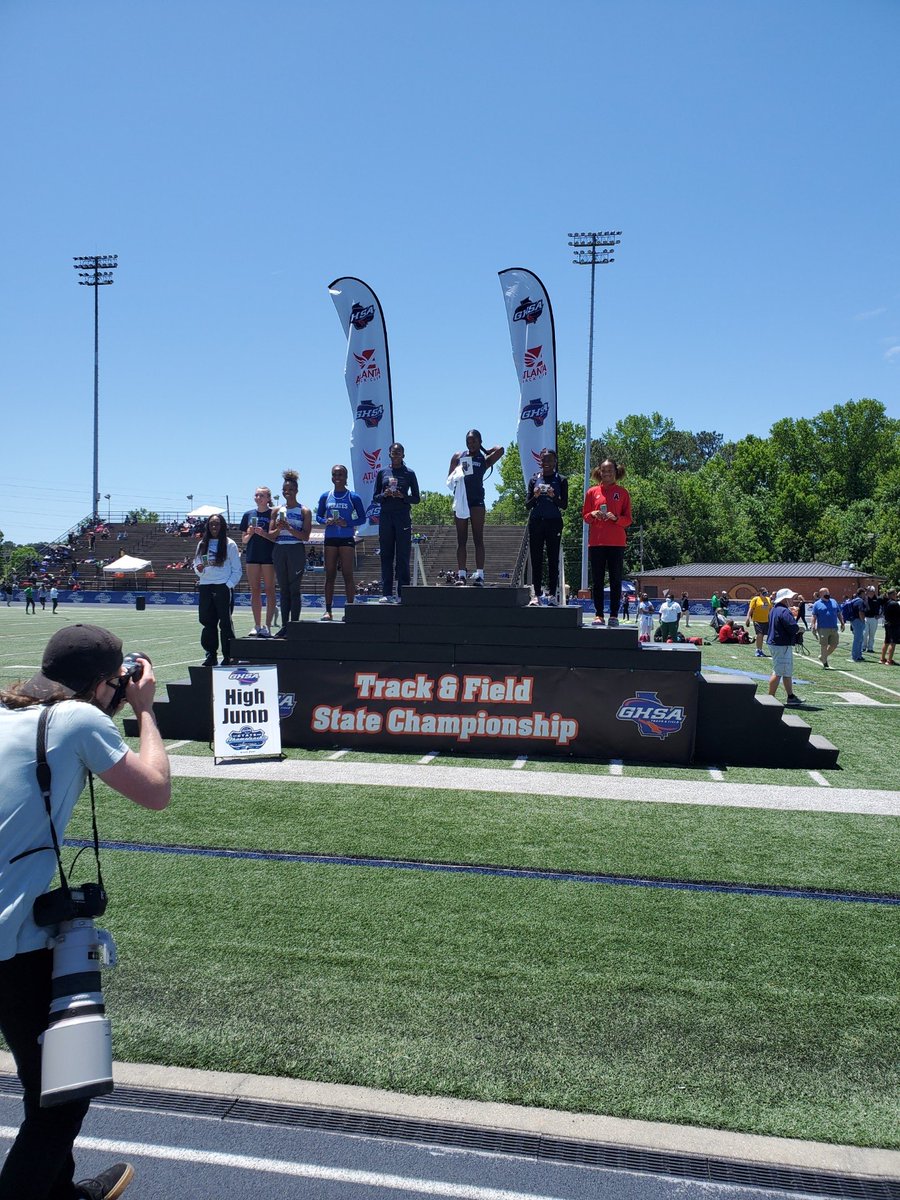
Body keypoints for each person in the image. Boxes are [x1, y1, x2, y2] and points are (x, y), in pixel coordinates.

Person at [0, 624, 170, 1200]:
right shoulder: (78, 719)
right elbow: (154, 790)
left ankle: (61, 1193)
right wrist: (143, 710)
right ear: (104, 684)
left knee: (41, 1075)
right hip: (8, 939)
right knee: (64, 1095)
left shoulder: (8, 713)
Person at [447, 430, 504, 586]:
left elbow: (501, 450)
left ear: (480, 442)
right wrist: (458, 473)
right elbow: (449, 480)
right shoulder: (458, 456)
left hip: (477, 502)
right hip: (461, 501)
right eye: (468, 441)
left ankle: (479, 575)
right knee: (461, 540)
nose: (470, 444)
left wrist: (486, 450)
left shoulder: (483, 459)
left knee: (478, 538)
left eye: (474, 441)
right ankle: (461, 575)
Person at [582, 458, 632, 627]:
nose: (607, 473)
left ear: (616, 472)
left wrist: (616, 518)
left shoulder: (623, 492)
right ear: (599, 472)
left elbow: (628, 519)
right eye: (604, 470)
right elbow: (585, 516)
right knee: (597, 580)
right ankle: (598, 615)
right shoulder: (592, 492)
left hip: (616, 543)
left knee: (615, 580)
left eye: (610, 470)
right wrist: (594, 514)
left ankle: (613, 615)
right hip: (596, 543)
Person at [315, 465, 366, 621]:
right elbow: (318, 517)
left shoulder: (353, 497)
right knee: (329, 575)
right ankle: (328, 611)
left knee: (347, 575)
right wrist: (326, 520)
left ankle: (350, 609)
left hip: (346, 539)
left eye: (341, 474)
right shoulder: (326, 496)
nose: (338, 477)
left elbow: (363, 519)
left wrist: (347, 522)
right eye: (335, 474)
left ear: (346, 477)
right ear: (331, 477)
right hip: (330, 539)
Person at [373, 443, 420, 603]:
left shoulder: (409, 473)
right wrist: (384, 494)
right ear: (389, 454)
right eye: (394, 452)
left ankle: (402, 593)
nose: (396, 455)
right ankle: (386, 593)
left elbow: (417, 498)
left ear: (403, 455)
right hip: (386, 517)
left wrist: (403, 496)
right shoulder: (382, 473)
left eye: (399, 453)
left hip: (402, 517)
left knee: (403, 555)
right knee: (386, 555)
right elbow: (375, 497)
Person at [193, 515, 242, 666]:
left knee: (225, 623)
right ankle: (211, 655)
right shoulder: (202, 544)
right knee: (208, 623)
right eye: (212, 524)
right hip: (206, 586)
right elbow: (197, 566)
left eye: (217, 524)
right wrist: (199, 570)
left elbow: (237, 570)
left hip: (222, 587)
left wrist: (228, 585)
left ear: (223, 526)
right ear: (207, 526)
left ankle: (229, 656)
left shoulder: (229, 544)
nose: (214, 527)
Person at [268, 471, 312, 635]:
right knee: (283, 589)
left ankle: (294, 626)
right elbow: (271, 536)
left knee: (294, 589)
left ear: (296, 490)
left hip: (295, 550)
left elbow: (306, 537)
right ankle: (285, 626)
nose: (288, 493)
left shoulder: (304, 511)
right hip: (279, 549)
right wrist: (279, 528)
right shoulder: (276, 511)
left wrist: (289, 528)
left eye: (291, 490)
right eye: (285, 490)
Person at [525, 448, 568, 605]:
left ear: (555, 461)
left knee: (552, 558)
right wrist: (536, 496)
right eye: (544, 460)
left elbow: (564, 505)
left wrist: (553, 496)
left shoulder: (561, 479)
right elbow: (527, 505)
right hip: (536, 522)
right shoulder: (534, 479)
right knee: (536, 559)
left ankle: (551, 595)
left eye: (550, 460)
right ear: (540, 462)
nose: (547, 463)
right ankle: (536, 595)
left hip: (554, 522)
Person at [239, 486, 278, 638]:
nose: (258, 497)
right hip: (252, 556)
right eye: (256, 495)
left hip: (269, 556)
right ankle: (256, 625)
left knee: (269, 590)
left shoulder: (273, 513)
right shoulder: (248, 514)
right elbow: (243, 541)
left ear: (268, 498)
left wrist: (263, 533)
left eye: (261, 495)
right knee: (255, 590)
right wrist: (249, 533)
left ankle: (267, 626)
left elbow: (275, 535)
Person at [767, 588, 803, 705]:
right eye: (790, 597)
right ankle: (769, 698)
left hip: (776, 642)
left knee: (786, 671)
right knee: (778, 672)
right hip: (781, 644)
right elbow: (792, 627)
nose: (792, 599)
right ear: (785, 598)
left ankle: (791, 696)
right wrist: (799, 629)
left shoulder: (774, 609)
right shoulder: (784, 611)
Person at [810, 586, 843, 669]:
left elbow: (839, 613)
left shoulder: (834, 601)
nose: (827, 594)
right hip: (823, 628)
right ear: (820, 594)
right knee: (824, 645)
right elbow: (814, 616)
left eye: (828, 593)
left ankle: (823, 656)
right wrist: (813, 625)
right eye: (825, 593)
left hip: (834, 627)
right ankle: (825, 662)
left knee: (834, 644)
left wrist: (842, 622)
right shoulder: (817, 604)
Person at [745, 586, 773, 658]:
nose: (766, 593)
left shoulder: (768, 599)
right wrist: (748, 618)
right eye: (764, 592)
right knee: (759, 634)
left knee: (763, 635)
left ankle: (760, 650)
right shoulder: (755, 599)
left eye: (767, 592)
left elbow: (770, 610)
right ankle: (757, 650)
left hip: (766, 620)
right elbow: (750, 609)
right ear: (760, 593)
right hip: (757, 620)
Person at [880, 587, 899, 665]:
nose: (896, 596)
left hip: (887, 623)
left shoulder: (886, 602)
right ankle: (889, 660)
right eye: (895, 594)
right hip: (894, 624)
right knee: (893, 642)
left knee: (886, 641)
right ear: (891, 595)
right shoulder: (894, 603)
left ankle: (882, 658)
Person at [864, 586, 882, 654]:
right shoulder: (865, 598)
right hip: (866, 617)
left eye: (870, 591)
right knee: (865, 633)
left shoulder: (878, 599)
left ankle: (870, 648)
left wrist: (880, 615)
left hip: (874, 618)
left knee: (872, 634)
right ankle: (863, 647)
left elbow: (883, 607)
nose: (868, 592)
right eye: (868, 591)